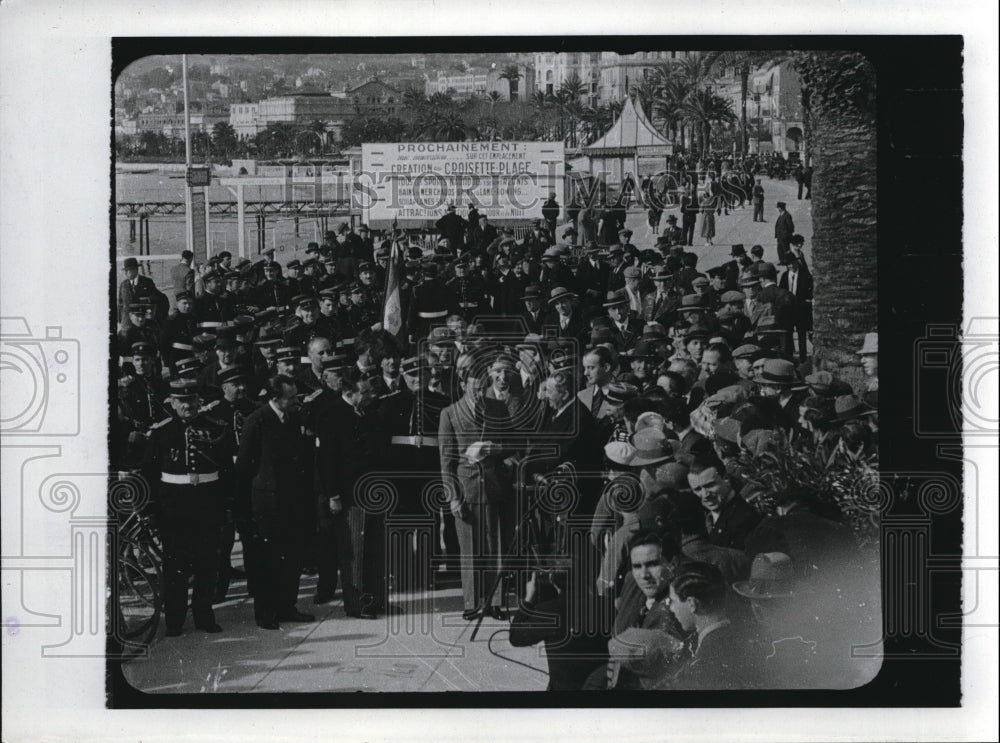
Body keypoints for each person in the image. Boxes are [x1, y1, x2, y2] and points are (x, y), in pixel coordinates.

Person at [142, 378, 234, 636]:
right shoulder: (162, 432)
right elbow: (149, 473)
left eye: (191, 400)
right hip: (174, 509)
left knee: (207, 564)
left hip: (208, 505)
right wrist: (151, 510)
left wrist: (228, 505)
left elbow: (227, 471)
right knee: (175, 567)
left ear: (198, 401)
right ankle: (175, 620)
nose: (187, 405)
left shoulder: (215, 428)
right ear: (172, 403)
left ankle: (204, 617)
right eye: (181, 401)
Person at [438, 352, 517, 620]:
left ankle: (495, 602)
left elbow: (513, 444)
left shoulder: (498, 408)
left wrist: (497, 448)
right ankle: (472, 603)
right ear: (463, 385)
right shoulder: (449, 414)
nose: (479, 391)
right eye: (474, 386)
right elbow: (446, 461)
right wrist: (453, 497)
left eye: (482, 386)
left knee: (495, 545)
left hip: (494, 485)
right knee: (470, 548)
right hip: (466, 487)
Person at [235, 375, 315, 629]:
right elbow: (243, 467)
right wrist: (243, 509)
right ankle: (265, 613)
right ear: (274, 398)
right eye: (291, 398)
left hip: (293, 500)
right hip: (266, 504)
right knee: (267, 560)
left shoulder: (293, 419)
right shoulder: (257, 421)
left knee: (292, 557)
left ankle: (287, 606)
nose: (296, 401)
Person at [657, 561, 759, 689]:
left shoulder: (702, 665)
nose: (671, 608)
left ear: (692, 604)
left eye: (673, 601)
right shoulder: (742, 640)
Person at [509, 567, 610, 691]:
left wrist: (528, 599)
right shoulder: (606, 606)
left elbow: (515, 637)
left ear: (555, 584)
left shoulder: (548, 611)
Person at [687, 455, 760, 551]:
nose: (705, 495)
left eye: (710, 485)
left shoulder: (746, 519)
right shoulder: (704, 518)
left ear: (726, 479)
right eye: (697, 489)